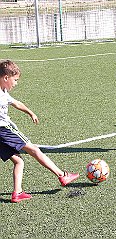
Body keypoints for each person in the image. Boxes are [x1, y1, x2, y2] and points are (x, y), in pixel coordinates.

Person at [0, 60, 79, 203]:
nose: (16, 84)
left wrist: (30, 112)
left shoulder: (3, 91)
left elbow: (16, 103)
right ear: (6, 77)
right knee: (34, 150)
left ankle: (17, 193)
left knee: (18, 161)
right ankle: (62, 175)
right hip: (3, 129)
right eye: (15, 80)